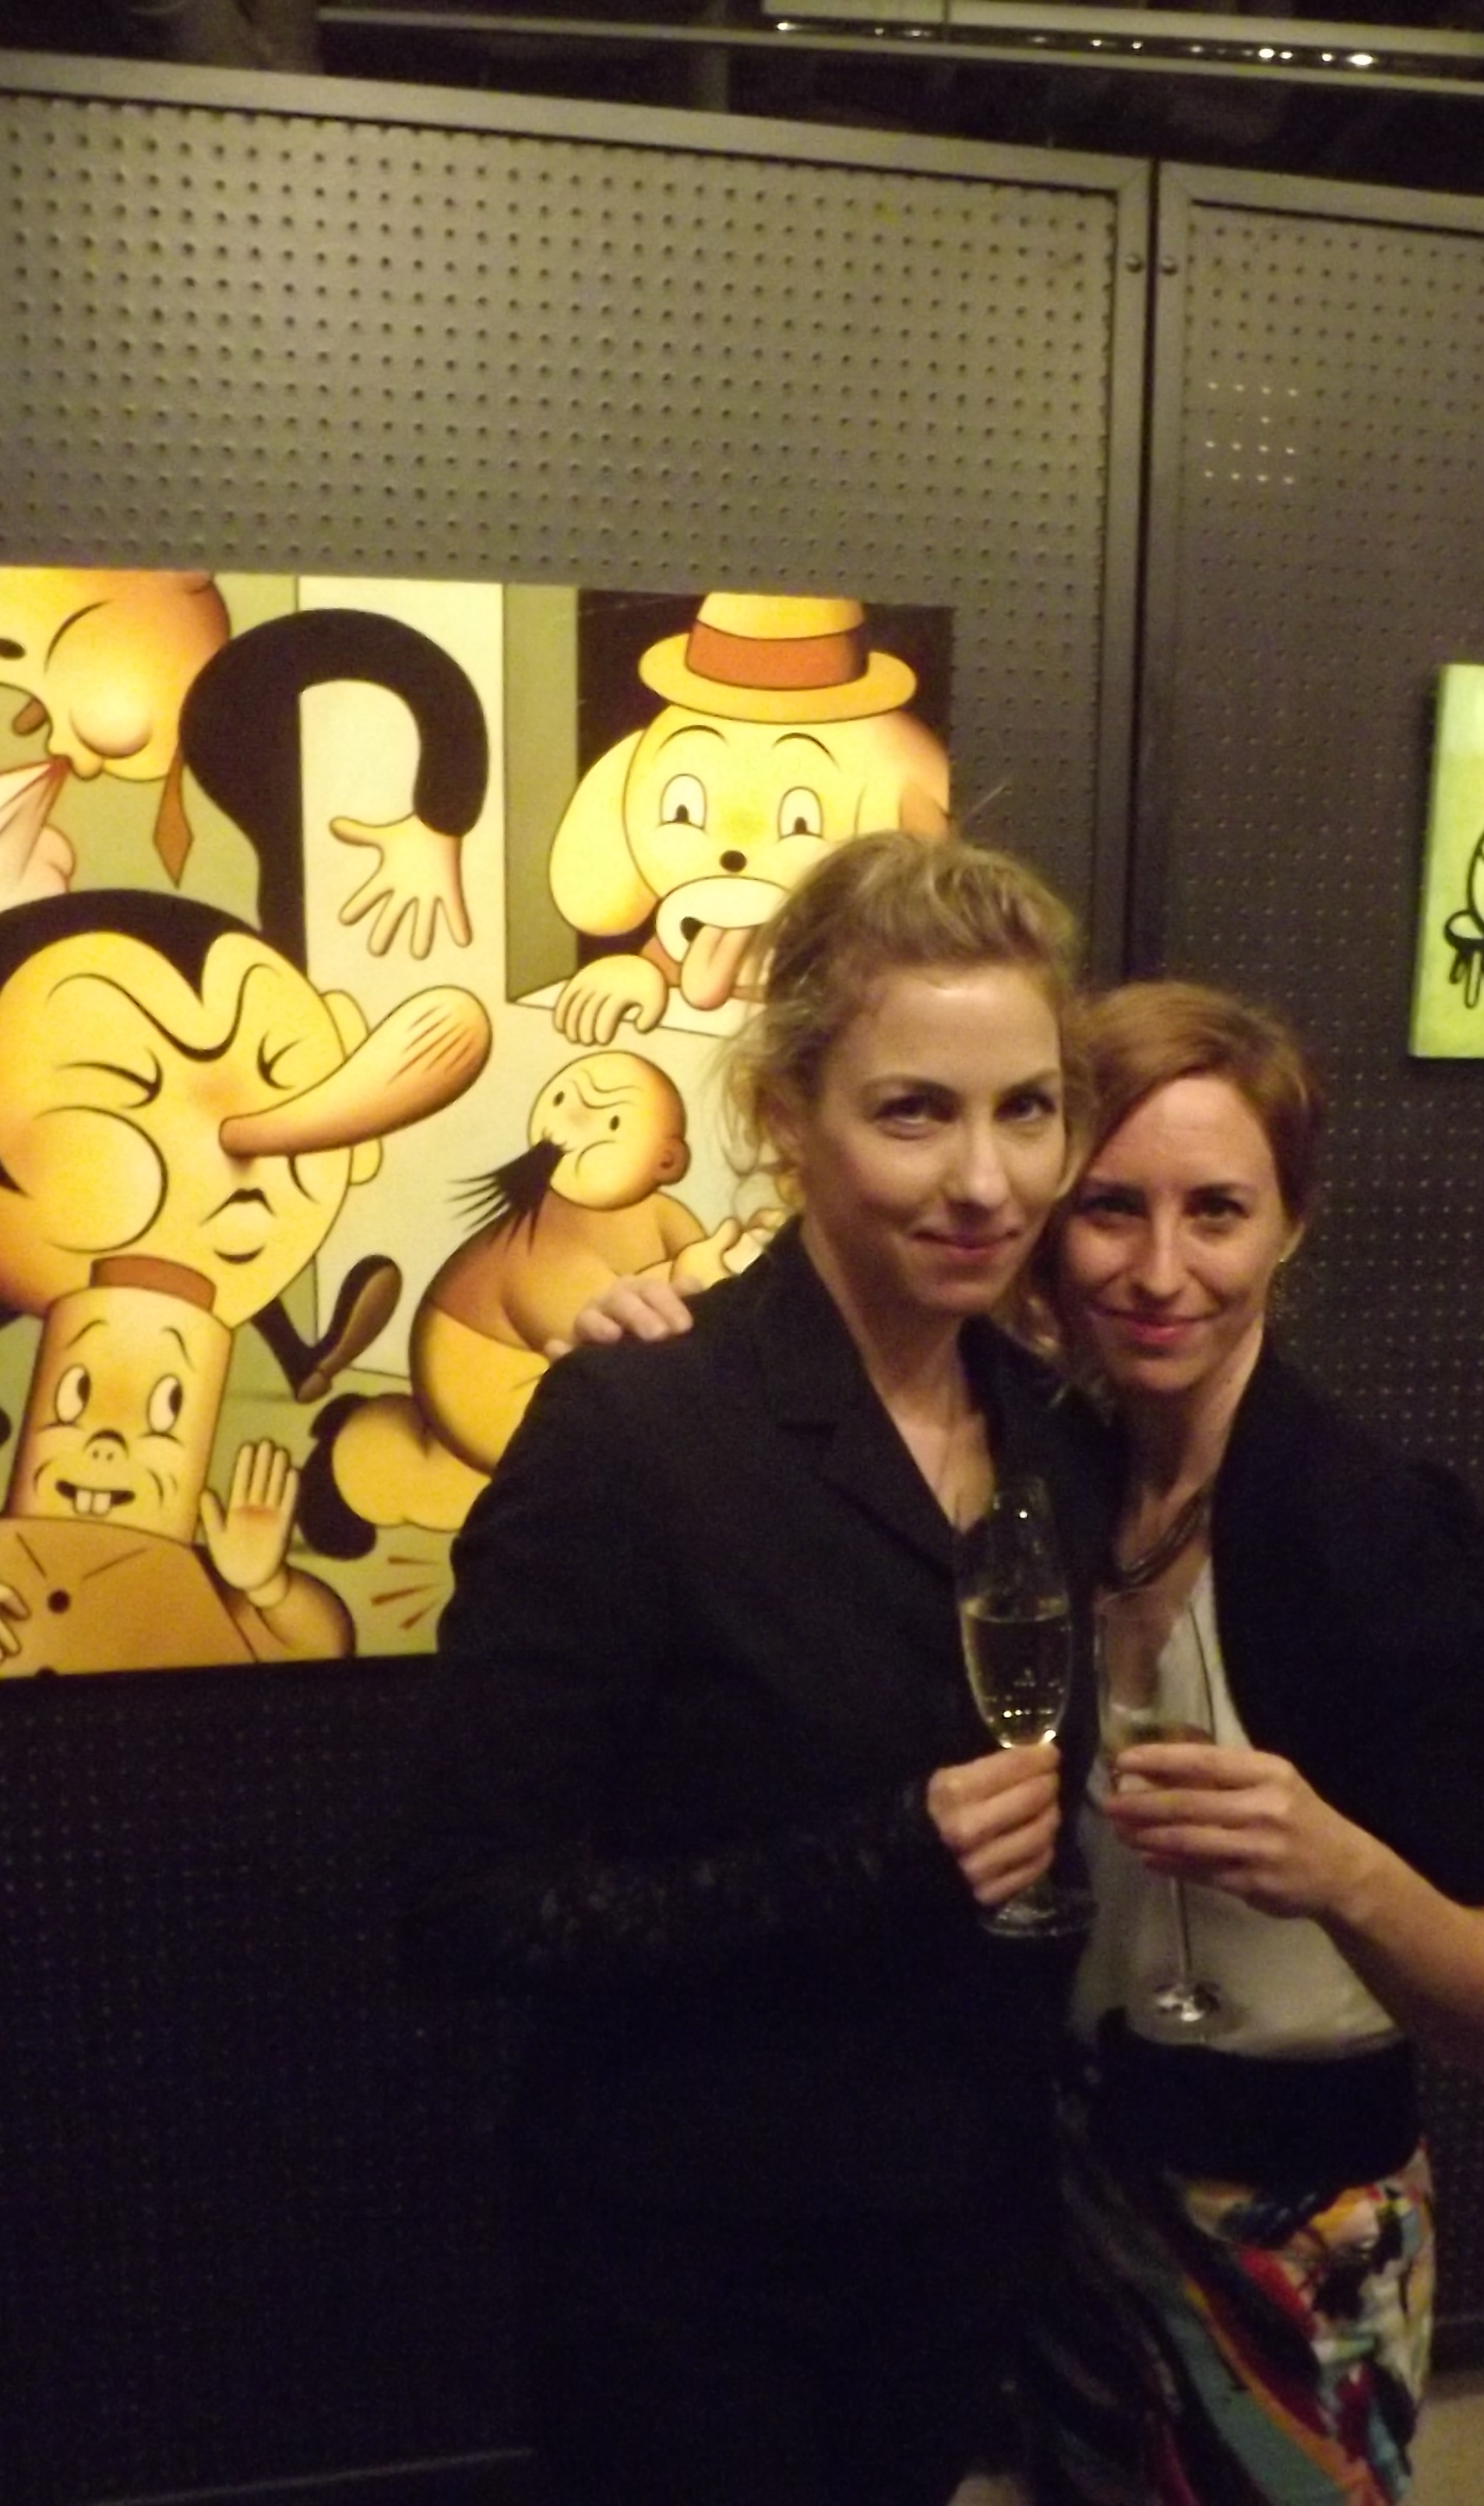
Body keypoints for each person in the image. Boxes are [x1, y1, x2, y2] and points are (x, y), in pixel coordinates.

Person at [575, 979, 1484, 2503]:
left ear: (1290, 1226)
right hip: (1066, 2199)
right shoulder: (1054, 1472)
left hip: (1293, 2229)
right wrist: (652, 1345)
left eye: (1217, 1211)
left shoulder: (1375, 1537)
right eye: (1111, 1209)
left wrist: (1338, 1867)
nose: (1161, 1272)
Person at [398, 831, 1090, 2506]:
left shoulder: (1053, 1421)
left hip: (957, 2225)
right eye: (913, 1112)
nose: (986, 1180)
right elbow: (466, 1907)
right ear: (786, 1117)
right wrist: (885, 1855)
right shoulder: (639, 1427)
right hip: (697, 2264)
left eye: (1028, 1109)